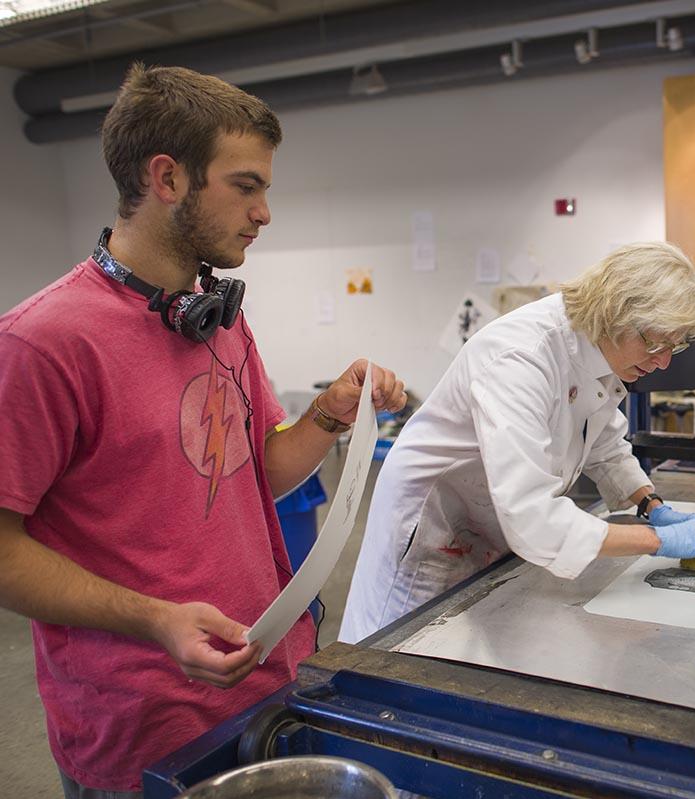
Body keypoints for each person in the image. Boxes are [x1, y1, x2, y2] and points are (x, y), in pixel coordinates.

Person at [0, 64, 408, 797]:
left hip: (260, 686)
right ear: (168, 178)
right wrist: (155, 618)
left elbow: (257, 472)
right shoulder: (43, 343)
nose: (264, 212)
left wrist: (329, 412)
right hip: (143, 730)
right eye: (246, 186)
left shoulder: (213, 314)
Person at [340, 242, 695, 642]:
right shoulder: (519, 359)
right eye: (656, 343)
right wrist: (655, 541)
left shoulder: (598, 345)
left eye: (675, 346)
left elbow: (604, 439)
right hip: (435, 531)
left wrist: (652, 506)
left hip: (491, 519)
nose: (664, 361)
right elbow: (532, 518)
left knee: (469, 647)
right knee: (401, 655)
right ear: (616, 314)